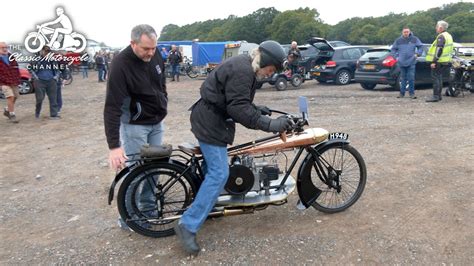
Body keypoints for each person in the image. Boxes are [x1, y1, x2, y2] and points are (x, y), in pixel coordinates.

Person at [174, 40, 294, 255]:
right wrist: (271, 124)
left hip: (211, 118)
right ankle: (187, 225)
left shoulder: (245, 66)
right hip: (210, 123)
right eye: (272, 69)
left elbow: (234, 99)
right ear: (265, 61)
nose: (270, 74)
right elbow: (238, 109)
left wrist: (257, 108)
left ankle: (205, 208)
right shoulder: (244, 71)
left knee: (216, 171)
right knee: (220, 174)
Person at [103, 24, 167, 229]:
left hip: (156, 122)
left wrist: (163, 101)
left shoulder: (155, 55)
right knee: (137, 172)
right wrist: (114, 146)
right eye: (146, 49)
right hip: (134, 126)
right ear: (133, 43)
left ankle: (147, 211)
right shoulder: (120, 65)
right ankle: (128, 217)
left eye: (153, 48)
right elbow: (112, 107)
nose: (151, 53)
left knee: (154, 169)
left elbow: (161, 83)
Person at [425, 20, 454, 102]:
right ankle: (438, 96)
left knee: (435, 78)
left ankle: (436, 96)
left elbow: (439, 49)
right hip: (446, 61)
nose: (436, 28)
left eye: (437, 26)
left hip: (439, 61)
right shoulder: (449, 35)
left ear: (440, 28)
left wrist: (434, 61)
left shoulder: (441, 36)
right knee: (439, 78)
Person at [391, 27, 423, 99]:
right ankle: (401, 93)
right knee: (403, 79)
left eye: (407, 32)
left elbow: (421, 47)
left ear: (409, 32)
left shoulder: (414, 39)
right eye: (404, 32)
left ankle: (412, 94)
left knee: (411, 78)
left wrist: (417, 54)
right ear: (402, 33)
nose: (406, 33)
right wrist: (396, 57)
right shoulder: (398, 40)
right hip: (401, 62)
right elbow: (393, 49)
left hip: (411, 62)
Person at [31, 45, 60, 119]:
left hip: (51, 81)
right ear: (42, 51)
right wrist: (36, 77)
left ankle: (54, 114)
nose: (47, 53)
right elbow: (30, 68)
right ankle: (37, 112)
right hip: (40, 81)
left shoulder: (52, 59)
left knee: (53, 98)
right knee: (39, 98)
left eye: (48, 51)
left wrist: (55, 77)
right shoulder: (36, 59)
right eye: (45, 51)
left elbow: (57, 69)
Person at [0, 42, 20, 123]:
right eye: (2, 47)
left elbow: (16, 67)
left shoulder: (11, 56)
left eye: (6, 47)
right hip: (3, 82)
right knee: (10, 97)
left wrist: (18, 78)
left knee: (16, 96)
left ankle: (7, 110)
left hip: (14, 80)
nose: (5, 49)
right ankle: (12, 114)